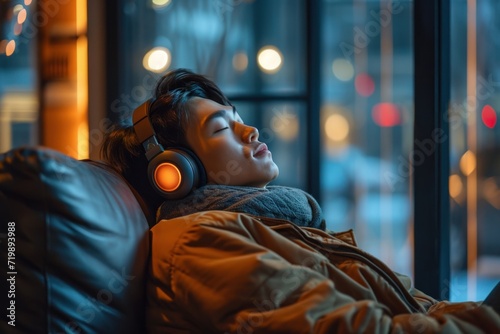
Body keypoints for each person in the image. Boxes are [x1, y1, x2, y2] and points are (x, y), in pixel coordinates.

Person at [102, 68, 500, 333]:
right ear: (176, 172)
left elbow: (417, 308)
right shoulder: (196, 241)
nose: (251, 129)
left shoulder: (278, 227)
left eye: (236, 116)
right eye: (222, 128)